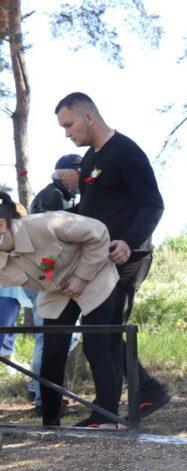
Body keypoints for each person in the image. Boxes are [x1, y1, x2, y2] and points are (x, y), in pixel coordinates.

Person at [54, 92, 169, 424]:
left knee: (100, 335)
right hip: (98, 258)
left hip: (127, 257)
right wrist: (53, 222)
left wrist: (129, 243)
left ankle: (106, 413)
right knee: (103, 334)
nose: (66, 132)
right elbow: (90, 210)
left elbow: (153, 204)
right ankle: (143, 393)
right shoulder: (90, 159)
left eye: (69, 124)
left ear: (89, 116)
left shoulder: (127, 152)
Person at [0, 193, 121, 427]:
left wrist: (81, 277)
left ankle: (108, 418)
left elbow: (98, 233)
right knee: (52, 351)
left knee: (96, 346)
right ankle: (50, 422)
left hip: (94, 276)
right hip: (57, 292)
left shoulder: (45, 223)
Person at [26, 154, 84, 412]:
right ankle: (42, 399)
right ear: (63, 173)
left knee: (60, 335)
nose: (82, 175)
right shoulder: (53, 196)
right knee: (48, 337)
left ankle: (37, 389)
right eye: (78, 170)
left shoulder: (62, 195)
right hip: (41, 272)